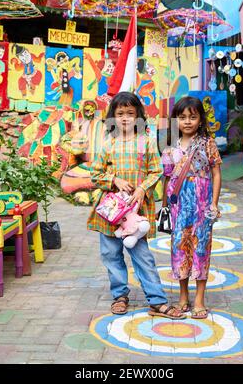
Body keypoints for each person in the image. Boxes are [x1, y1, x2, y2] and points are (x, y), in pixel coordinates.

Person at [87, 91, 186, 319]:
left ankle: (157, 301)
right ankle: (120, 296)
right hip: (110, 213)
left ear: (138, 116)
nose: (125, 118)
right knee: (111, 255)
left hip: (136, 213)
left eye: (130, 113)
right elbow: (95, 174)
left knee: (143, 256)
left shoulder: (147, 142)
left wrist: (142, 188)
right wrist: (114, 180)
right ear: (112, 116)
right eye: (120, 113)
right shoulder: (108, 143)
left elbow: (156, 170)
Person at [162, 96, 222, 319]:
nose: (187, 121)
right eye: (182, 117)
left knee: (200, 249)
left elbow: (216, 174)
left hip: (202, 207)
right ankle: (183, 296)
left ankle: (199, 299)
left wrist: (214, 203)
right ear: (176, 120)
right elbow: (167, 179)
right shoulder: (170, 148)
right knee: (179, 249)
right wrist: (165, 207)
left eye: (192, 117)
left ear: (200, 119)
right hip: (178, 209)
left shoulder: (208, 143)